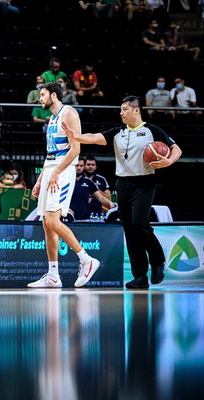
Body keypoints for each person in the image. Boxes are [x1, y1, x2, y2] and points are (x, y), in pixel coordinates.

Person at [61, 95, 182, 289]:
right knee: (130, 231)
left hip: (144, 182)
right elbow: (94, 137)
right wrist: (75, 136)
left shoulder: (152, 131)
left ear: (136, 110)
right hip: (123, 184)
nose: (121, 112)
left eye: (124, 109)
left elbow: (176, 149)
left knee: (140, 224)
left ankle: (158, 260)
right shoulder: (118, 132)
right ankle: (140, 276)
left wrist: (169, 161)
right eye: (120, 109)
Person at [27, 82, 101, 289]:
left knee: (52, 219)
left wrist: (57, 171)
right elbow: (50, 154)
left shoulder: (69, 113)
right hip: (51, 169)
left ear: (53, 95)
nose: (39, 99)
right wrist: (40, 180)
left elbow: (76, 149)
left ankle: (86, 259)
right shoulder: (51, 118)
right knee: (46, 223)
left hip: (62, 171)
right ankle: (53, 275)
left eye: (42, 95)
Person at [69, 156, 115, 221]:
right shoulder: (65, 180)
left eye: (81, 166)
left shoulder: (89, 182)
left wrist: (110, 203)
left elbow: (100, 197)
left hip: (84, 218)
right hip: (69, 217)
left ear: (84, 167)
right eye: (77, 165)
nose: (79, 168)